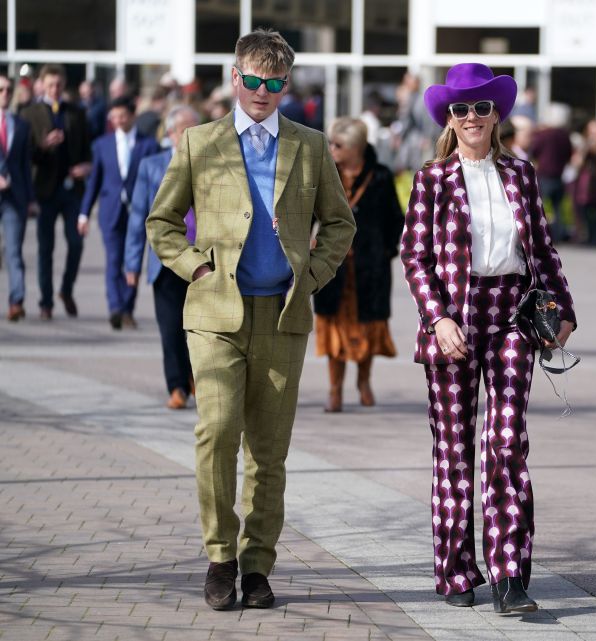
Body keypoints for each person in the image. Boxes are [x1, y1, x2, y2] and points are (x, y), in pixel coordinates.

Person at [146, 29, 355, 611]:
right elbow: (161, 222)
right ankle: (220, 556)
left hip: (283, 313)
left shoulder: (310, 146)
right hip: (215, 312)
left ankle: (258, 566)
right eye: (253, 80)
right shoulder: (199, 141)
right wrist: (194, 269)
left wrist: (311, 275)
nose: (263, 92)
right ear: (235, 79)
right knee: (216, 434)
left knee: (268, 451)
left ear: (286, 85)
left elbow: (340, 224)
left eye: (275, 83)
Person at [401, 63, 576, 613]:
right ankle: (455, 572)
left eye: (481, 107)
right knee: (454, 450)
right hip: (454, 319)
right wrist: (439, 319)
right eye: (460, 109)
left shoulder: (521, 174)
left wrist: (563, 309)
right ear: (449, 120)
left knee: (506, 446)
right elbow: (415, 257)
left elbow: (543, 249)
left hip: (510, 317)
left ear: (497, 114)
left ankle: (509, 577)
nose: (471, 117)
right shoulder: (432, 179)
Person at [313, 117, 403, 412]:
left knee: (368, 326)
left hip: (370, 267)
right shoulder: (326, 173)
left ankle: (363, 382)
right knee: (334, 326)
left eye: (338, 145)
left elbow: (396, 219)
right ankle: (335, 390)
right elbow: (309, 215)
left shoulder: (380, 175)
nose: (332, 149)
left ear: (356, 147)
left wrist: (383, 251)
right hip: (333, 265)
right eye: (330, 143)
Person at [125, 105, 201, 409]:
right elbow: (137, 217)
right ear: (170, 134)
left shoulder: (211, 163)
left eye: (196, 127)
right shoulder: (151, 166)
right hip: (166, 261)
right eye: (185, 128)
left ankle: (197, 379)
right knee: (170, 327)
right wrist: (132, 263)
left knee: (198, 326)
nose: (191, 134)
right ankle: (177, 386)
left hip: (202, 260)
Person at [78, 96, 161, 329]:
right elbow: (94, 182)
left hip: (139, 212)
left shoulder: (149, 145)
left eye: (122, 116)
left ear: (132, 115)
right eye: (113, 117)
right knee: (114, 261)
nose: (118, 120)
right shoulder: (102, 145)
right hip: (110, 211)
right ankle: (115, 307)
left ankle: (127, 307)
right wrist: (83, 214)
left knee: (132, 261)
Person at [20, 64, 92, 320]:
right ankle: (46, 301)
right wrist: (44, 144)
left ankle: (66, 289)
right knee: (45, 248)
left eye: (58, 85)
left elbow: (87, 150)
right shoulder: (29, 114)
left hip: (72, 190)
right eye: (50, 85)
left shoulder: (76, 112)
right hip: (45, 191)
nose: (54, 89)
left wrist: (86, 166)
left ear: (64, 85)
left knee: (76, 242)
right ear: (41, 85)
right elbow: (26, 155)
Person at [0, 74, 37, 321]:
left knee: (13, 250)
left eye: (8, 90)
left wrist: (31, 199)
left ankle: (17, 301)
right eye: (0, 89)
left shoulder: (21, 125)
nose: (5, 94)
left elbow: (25, 165)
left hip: (15, 198)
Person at [529, 103, 573, 241]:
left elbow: (534, 150)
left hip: (543, 174)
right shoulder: (565, 136)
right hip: (558, 175)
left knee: (539, 206)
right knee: (557, 208)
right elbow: (569, 153)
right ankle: (558, 235)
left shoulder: (542, 135)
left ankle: (540, 234)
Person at [571, 119, 596, 247]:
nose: (593, 134)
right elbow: (576, 163)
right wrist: (583, 150)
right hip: (584, 183)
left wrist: (588, 148)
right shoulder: (585, 146)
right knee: (585, 210)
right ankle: (588, 236)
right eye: (591, 131)